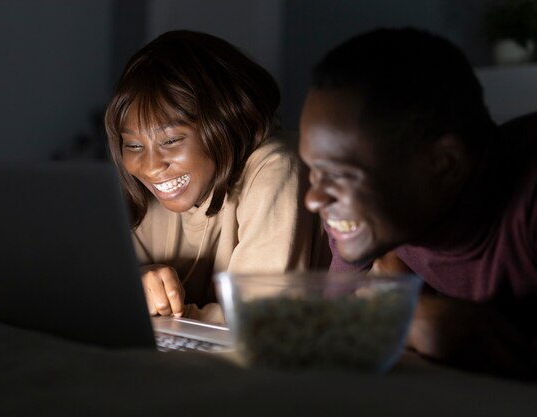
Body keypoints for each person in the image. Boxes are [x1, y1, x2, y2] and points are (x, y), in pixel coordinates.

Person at [299, 27, 537, 379]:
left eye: (341, 174)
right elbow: (331, 326)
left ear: (443, 163)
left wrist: (418, 320)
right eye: (315, 172)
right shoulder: (373, 217)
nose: (314, 199)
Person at [105, 30, 329, 324]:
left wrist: (150, 311)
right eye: (133, 145)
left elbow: (261, 321)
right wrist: (137, 283)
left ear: (224, 123)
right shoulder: (147, 190)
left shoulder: (275, 167)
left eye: (171, 140)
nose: (151, 167)